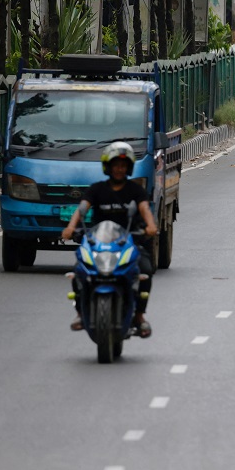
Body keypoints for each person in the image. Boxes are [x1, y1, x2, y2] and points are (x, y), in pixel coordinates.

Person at [61, 142, 159, 337]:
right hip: (99, 243)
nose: (119, 169)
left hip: (129, 242)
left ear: (128, 167)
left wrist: (151, 226)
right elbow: (82, 209)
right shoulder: (97, 189)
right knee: (79, 270)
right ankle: (80, 313)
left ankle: (139, 315)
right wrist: (71, 227)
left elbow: (144, 209)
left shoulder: (135, 190)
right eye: (115, 165)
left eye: (123, 165)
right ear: (108, 166)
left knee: (145, 270)